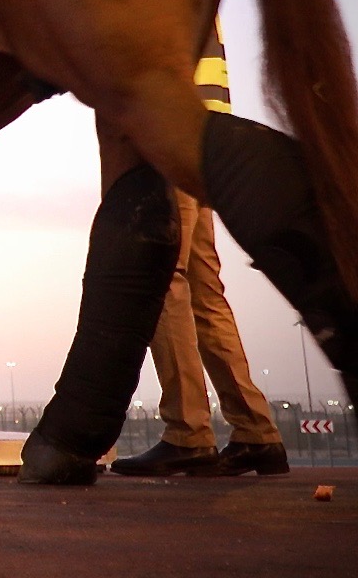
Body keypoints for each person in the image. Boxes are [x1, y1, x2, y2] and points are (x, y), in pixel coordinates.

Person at [111, 24, 288, 477]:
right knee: (204, 291)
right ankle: (255, 432)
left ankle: (187, 433)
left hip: (170, 133)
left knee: (164, 277)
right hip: (205, 138)